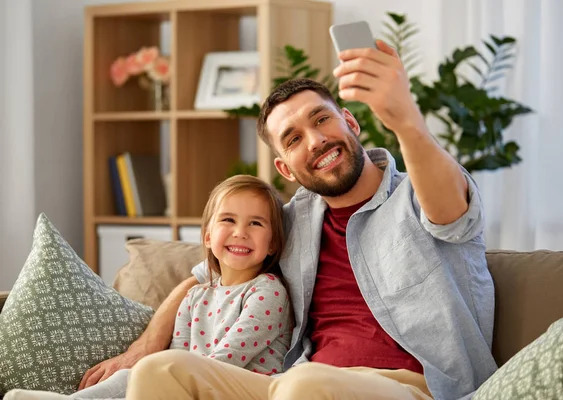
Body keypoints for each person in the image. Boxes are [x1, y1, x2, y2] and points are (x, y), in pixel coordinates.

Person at [48, 39, 496, 400]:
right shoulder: (291, 222)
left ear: (352, 124)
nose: (317, 140)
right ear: (285, 168)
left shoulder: (419, 193)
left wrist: (405, 120)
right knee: (163, 371)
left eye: (323, 119)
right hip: (290, 385)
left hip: (413, 389)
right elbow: (207, 274)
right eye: (294, 138)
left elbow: (450, 214)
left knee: (305, 384)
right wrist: (142, 348)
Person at [4, 175, 292, 400]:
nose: (240, 232)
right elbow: (176, 354)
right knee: (133, 374)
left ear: (273, 244)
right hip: (194, 383)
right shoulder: (195, 296)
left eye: (255, 223)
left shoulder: (268, 292)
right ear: (207, 237)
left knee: (150, 372)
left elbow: (225, 361)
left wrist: (168, 377)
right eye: (228, 220)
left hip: (236, 388)